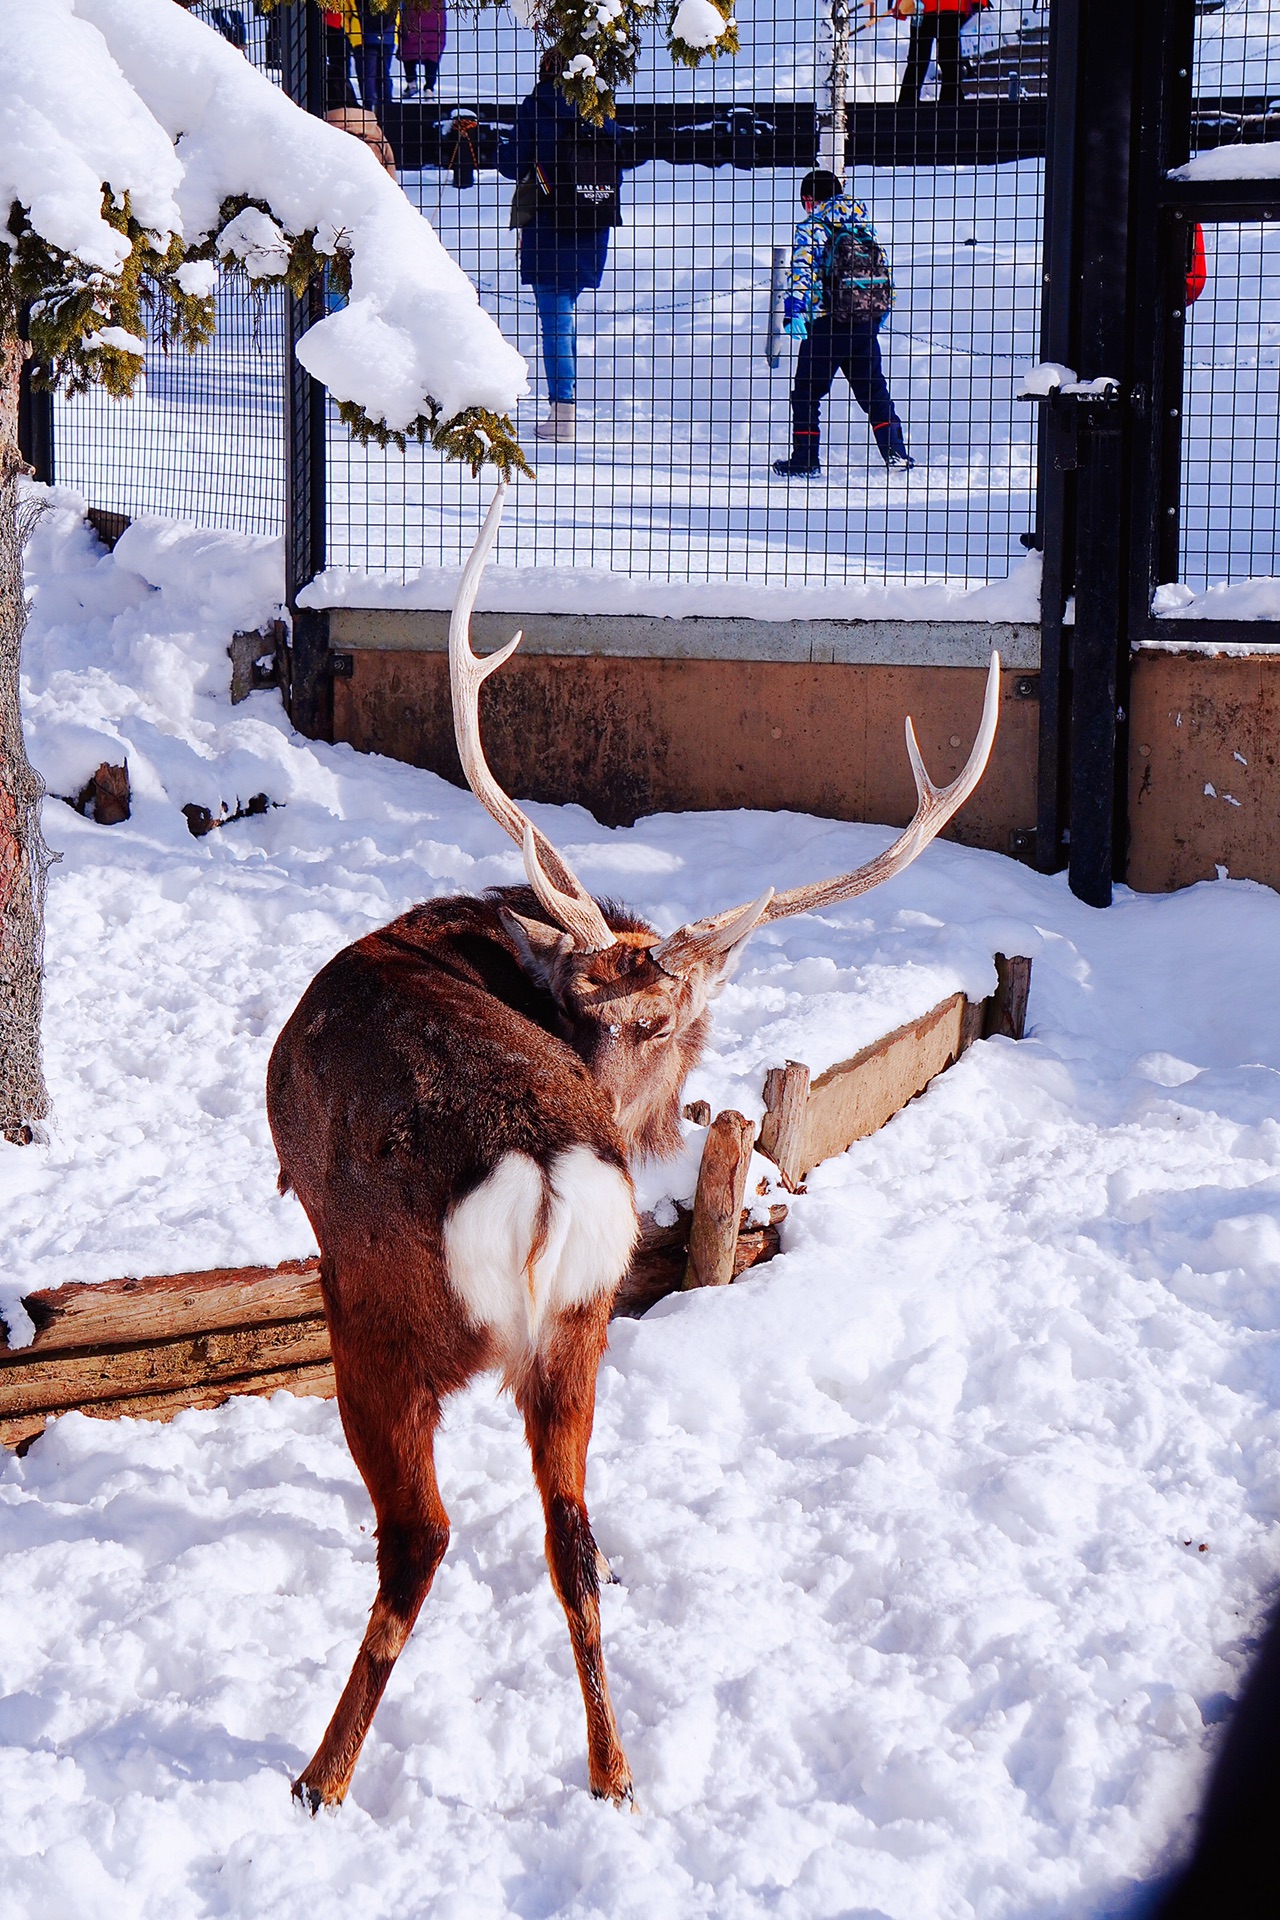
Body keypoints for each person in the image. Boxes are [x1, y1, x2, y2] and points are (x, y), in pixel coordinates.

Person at [497, 49, 622, 445]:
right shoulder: (600, 107)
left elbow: (513, 163)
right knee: (563, 318)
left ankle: (562, 412)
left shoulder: (537, 105)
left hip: (549, 225)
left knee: (556, 322)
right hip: (592, 222)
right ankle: (562, 409)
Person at [772, 170, 912, 479]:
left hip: (828, 322)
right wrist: (881, 312)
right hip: (864, 321)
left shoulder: (813, 227)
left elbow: (804, 268)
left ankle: (805, 459)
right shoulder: (861, 224)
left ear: (809, 199)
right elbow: (882, 267)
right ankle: (895, 452)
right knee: (874, 390)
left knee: (807, 391)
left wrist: (795, 308)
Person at [896, 0, 988, 109]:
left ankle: (907, 105)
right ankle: (950, 105)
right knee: (943, 60)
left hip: (927, 9)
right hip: (942, 9)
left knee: (921, 60)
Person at [399, 0, 446, 97]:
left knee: (409, 49)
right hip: (435, 20)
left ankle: (411, 82)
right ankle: (429, 88)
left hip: (413, 16)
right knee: (433, 50)